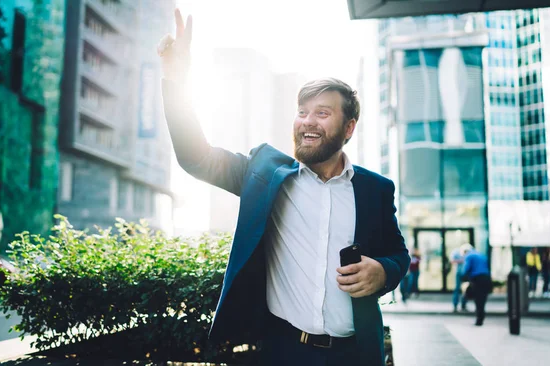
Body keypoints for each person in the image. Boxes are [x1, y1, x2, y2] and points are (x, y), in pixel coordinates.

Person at [157, 10, 410, 366]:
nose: (307, 121)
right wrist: (176, 80)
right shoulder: (266, 173)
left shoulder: (376, 190)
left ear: (349, 128)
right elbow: (195, 157)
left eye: (322, 113)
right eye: (302, 111)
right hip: (284, 350)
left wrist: (384, 271)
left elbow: (399, 254)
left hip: (356, 353)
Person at [460, 244, 492, 326]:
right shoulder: (481, 255)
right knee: (483, 298)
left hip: (477, 279)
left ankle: (479, 319)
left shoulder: (469, 256)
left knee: (477, 299)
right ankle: (481, 316)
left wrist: (463, 277)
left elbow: (465, 269)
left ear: (465, 251)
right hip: (486, 278)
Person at [450, 246, 467, 312]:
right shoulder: (456, 252)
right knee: (457, 289)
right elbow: (452, 261)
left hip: (465, 273)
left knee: (465, 290)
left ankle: (463, 305)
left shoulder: (469, 253)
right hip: (459, 272)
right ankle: (455, 305)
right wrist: (462, 261)